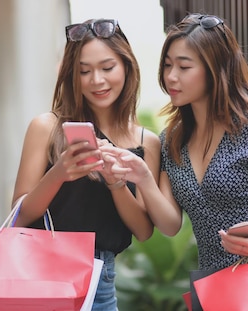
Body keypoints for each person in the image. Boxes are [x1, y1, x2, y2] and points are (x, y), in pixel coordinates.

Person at [100, 13, 248, 272]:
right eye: (167, 65)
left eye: (184, 67)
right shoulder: (172, 140)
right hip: (215, 284)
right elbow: (170, 225)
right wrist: (144, 178)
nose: (171, 76)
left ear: (215, 69)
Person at [10, 18, 160, 310]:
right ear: (71, 76)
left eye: (107, 68)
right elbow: (18, 216)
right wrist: (59, 174)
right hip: (41, 276)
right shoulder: (46, 127)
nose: (97, 81)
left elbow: (143, 231)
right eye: (84, 71)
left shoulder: (146, 141)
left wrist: (115, 183)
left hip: (100, 283)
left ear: (127, 67)